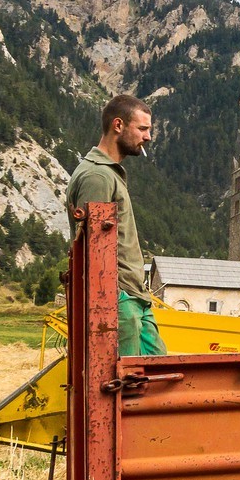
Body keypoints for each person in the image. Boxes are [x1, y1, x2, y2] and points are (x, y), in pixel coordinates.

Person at [65, 93, 165, 356]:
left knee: (157, 378)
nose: (148, 137)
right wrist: (112, 300)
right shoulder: (97, 176)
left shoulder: (109, 173)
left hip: (134, 298)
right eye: (142, 129)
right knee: (127, 387)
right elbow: (92, 249)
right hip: (117, 300)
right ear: (118, 126)